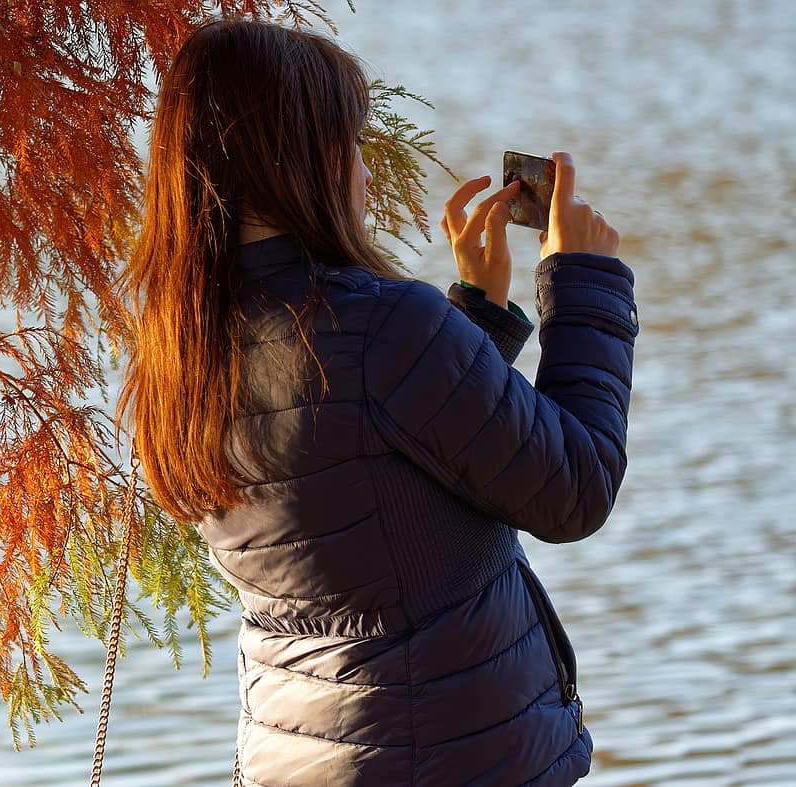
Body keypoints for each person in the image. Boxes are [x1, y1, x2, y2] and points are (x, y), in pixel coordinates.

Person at [119, 18, 638, 787]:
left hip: (293, 755)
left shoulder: (182, 352)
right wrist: (580, 280)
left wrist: (477, 321)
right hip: (448, 761)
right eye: (352, 143)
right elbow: (576, 486)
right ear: (299, 159)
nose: (363, 172)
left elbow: (366, 477)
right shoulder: (382, 325)